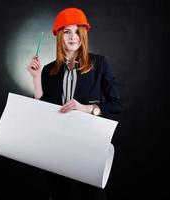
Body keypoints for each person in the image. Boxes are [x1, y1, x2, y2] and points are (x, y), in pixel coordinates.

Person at [27, 7, 122, 200]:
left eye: (78, 31)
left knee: (93, 196)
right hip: (56, 145)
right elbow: (42, 110)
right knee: (60, 195)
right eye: (67, 31)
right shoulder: (48, 70)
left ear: (84, 35)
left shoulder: (100, 63)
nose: (73, 37)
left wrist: (86, 108)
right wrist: (36, 79)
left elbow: (116, 105)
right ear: (60, 35)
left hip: (89, 145)